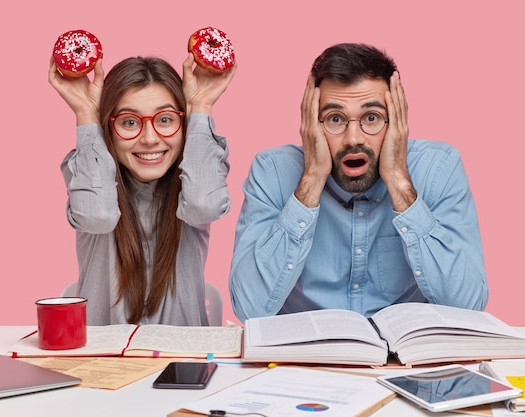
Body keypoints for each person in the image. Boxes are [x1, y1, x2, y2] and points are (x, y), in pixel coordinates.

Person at [229, 43, 487, 321]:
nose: (353, 139)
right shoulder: (273, 173)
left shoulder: (439, 168)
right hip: (306, 360)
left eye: (372, 118)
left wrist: (400, 182)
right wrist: (312, 179)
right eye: (335, 118)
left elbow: (469, 307)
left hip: (404, 361)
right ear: (310, 123)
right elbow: (248, 309)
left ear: (397, 120)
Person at [49, 51, 236, 325]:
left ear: (184, 126)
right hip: (101, 363)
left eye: (165, 120)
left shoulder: (198, 175)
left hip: (182, 362)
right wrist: (87, 115)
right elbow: (97, 216)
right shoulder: (89, 172)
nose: (149, 139)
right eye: (129, 122)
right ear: (108, 130)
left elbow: (202, 206)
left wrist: (201, 107)